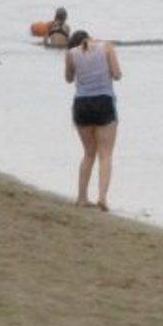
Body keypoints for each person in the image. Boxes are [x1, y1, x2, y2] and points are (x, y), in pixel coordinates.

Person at [64, 29, 122, 210]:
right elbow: (117, 74)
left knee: (89, 153)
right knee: (105, 154)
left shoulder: (71, 54)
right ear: (89, 37)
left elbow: (68, 79)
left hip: (82, 104)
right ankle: (103, 197)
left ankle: (82, 197)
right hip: (104, 101)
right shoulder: (106, 47)